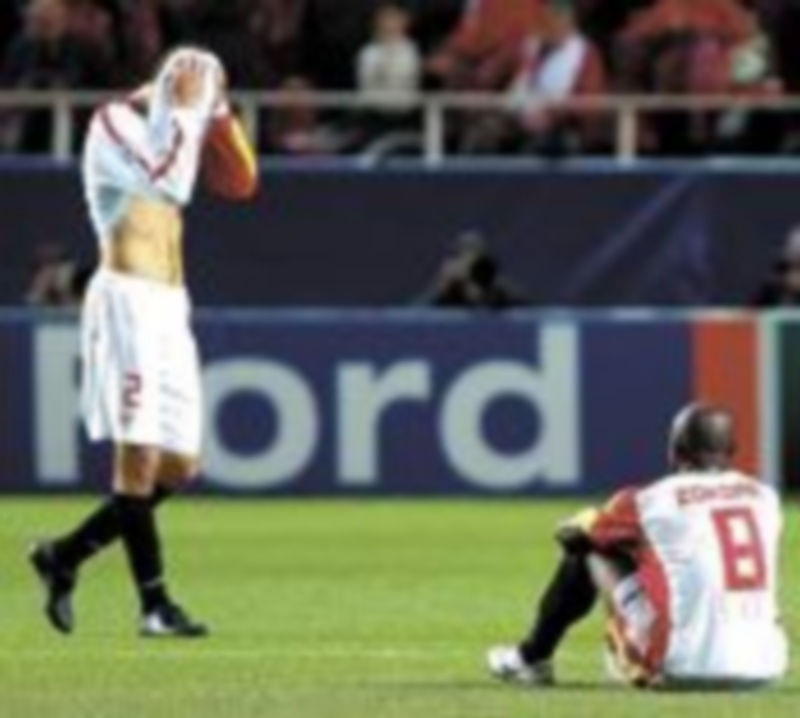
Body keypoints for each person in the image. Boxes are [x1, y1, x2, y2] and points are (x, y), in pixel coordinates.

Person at [29, 46, 257, 638]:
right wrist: (186, 109)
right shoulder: (112, 123)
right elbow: (171, 183)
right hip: (127, 297)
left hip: (170, 304)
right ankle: (155, 606)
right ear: (168, 79)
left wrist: (221, 118)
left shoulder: (177, 124)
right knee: (139, 455)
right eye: (201, 83)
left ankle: (65, 555)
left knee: (180, 465)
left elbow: (242, 182)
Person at [488, 403, 787, 689]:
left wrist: (585, 527)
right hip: (765, 665)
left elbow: (573, 536)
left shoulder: (649, 500)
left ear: (675, 451)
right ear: (732, 451)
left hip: (680, 666)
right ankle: (625, 642)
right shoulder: (765, 498)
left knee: (590, 552)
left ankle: (531, 658)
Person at [420, 231, 528, 309]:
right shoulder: (449, 291)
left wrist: (487, 289)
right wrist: (441, 287)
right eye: (464, 258)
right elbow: (413, 319)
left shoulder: (498, 291)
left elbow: (530, 312)